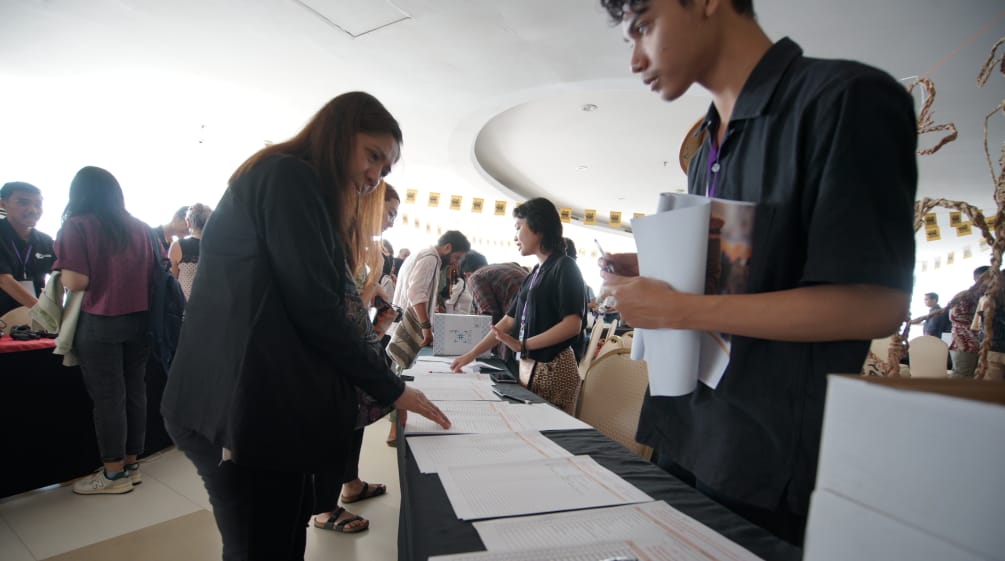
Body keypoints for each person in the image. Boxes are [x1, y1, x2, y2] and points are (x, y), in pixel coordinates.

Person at [596, 0, 916, 544]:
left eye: (643, 27)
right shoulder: (705, 147)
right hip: (686, 430)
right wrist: (661, 269)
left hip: (762, 463)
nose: (635, 59)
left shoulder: (844, 99)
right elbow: (753, 273)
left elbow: (876, 302)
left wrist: (681, 307)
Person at [159, 92, 450, 561]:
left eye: (386, 168)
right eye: (373, 156)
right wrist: (392, 388)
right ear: (338, 133)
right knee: (264, 545)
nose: (375, 175)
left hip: (263, 410)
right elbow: (316, 305)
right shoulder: (288, 176)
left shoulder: (298, 185)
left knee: (281, 539)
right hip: (239, 410)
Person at [53, 167, 157, 494]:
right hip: (141, 320)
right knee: (135, 392)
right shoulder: (140, 227)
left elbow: (77, 281)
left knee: (109, 397)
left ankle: (113, 475)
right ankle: (131, 463)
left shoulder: (77, 226)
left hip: (99, 320)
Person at [311, 181, 401, 535]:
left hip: (353, 347)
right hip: (332, 354)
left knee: (353, 422)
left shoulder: (361, 246)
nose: (391, 221)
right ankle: (323, 507)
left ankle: (350, 483)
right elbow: (338, 307)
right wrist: (371, 291)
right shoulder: (338, 238)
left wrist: (378, 322)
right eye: (389, 212)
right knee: (335, 427)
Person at [451, 198, 586, 415]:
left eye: (518, 227)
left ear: (538, 227)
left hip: (554, 369)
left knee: (549, 435)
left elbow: (572, 324)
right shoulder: (535, 272)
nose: (515, 236)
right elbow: (507, 321)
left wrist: (523, 345)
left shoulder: (565, 266)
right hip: (531, 367)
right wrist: (470, 355)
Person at [385, 229, 470, 444]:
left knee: (399, 375)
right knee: (401, 377)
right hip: (410, 325)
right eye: (456, 257)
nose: (455, 263)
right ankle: (396, 427)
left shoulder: (419, 254)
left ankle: (399, 423)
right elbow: (416, 293)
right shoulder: (431, 258)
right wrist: (425, 326)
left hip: (402, 322)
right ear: (447, 247)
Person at [0, 181, 54, 316]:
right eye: (23, 202)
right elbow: (4, 280)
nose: (32, 210)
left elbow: (60, 279)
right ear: (3, 204)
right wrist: (45, 314)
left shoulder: (46, 241)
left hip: (32, 322)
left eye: (38, 204)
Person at [467, 260, 528, 370]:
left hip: (516, 322)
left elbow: (489, 316)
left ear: (466, 274)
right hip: (532, 320)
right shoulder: (506, 266)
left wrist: (476, 351)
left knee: (507, 369)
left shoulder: (475, 278)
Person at [944, 266, 990, 378]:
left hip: (977, 344)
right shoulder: (968, 296)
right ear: (979, 278)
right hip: (966, 344)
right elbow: (958, 319)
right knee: (962, 377)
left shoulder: (984, 296)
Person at [168, 203, 212, 300]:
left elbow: (172, 282)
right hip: (214, 307)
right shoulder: (218, 246)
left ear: (188, 222)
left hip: (186, 308)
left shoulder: (177, 246)